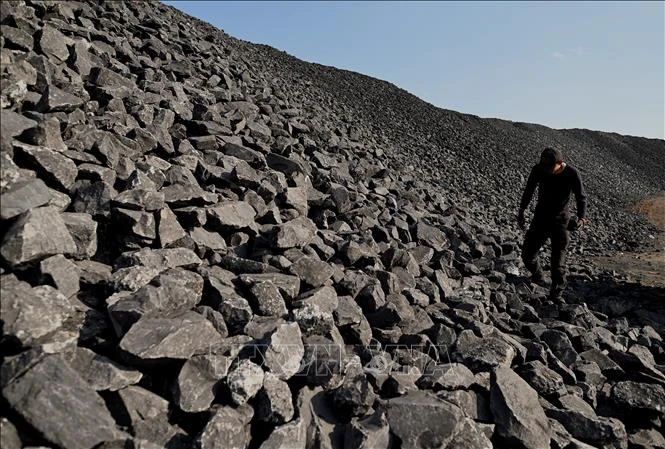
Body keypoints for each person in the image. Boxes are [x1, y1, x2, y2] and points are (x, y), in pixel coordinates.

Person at [517, 147, 587, 302]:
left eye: (550, 168)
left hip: (561, 221)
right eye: (544, 167)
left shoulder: (572, 173)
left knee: (558, 264)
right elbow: (529, 189)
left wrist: (581, 219)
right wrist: (522, 210)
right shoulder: (538, 169)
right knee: (527, 255)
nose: (547, 171)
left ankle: (556, 294)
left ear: (560, 163)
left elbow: (581, 197)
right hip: (540, 218)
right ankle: (538, 276)